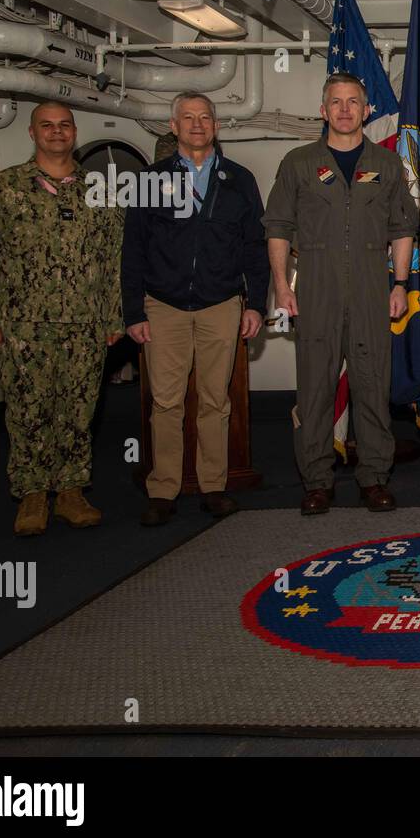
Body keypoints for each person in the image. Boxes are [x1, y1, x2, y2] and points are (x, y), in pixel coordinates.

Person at [0, 102, 124, 536]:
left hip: (85, 324)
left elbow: (115, 261)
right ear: (32, 134)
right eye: (46, 126)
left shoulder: (100, 192)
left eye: (64, 125)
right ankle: (31, 495)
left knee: (79, 411)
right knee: (27, 411)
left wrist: (115, 316)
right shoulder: (2, 190)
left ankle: (70, 491)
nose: (56, 132)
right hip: (22, 325)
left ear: (74, 132)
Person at [264, 73, 417, 515]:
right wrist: (280, 284)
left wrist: (402, 284)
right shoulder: (298, 162)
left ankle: (373, 478)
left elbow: (403, 228)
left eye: (354, 102)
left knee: (372, 386)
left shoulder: (386, 166)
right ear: (323, 109)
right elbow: (278, 227)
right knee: (314, 388)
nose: (345, 109)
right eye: (337, 102)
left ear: (367, 111)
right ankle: (316, 481)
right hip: (316, 288)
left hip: (372, 289)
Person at [122, 92, 270, 527]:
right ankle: (163, 489)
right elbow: (133, 251)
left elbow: (254, 248)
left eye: (205, 117)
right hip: (163, 306)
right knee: (165, 402)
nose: (197, 124)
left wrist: (256, 304)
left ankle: (213, 486)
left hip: (221, 305)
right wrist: (134, 312)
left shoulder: (239, 180)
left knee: (215, 401)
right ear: (173, 126)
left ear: (217, 126)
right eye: (188, 118)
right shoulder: (151, 180)